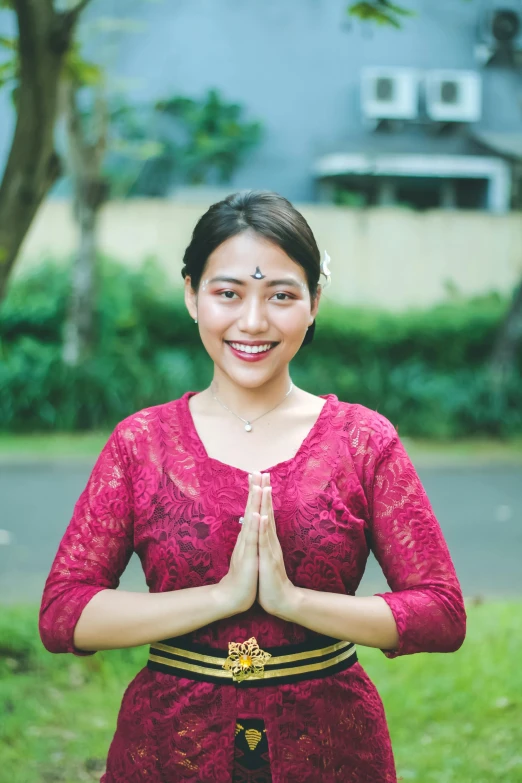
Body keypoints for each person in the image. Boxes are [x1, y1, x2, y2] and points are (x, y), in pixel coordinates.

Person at [39, 190, 466, 783]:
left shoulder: (364, 440)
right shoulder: (141, 443)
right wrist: (221, 598)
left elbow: (441, 613)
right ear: (192, 295)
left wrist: (294, 602)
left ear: (314, 302)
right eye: (228, 293)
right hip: (171, 747)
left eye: (282, 295)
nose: (253, 322)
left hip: (332, 748)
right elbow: (64, 613)